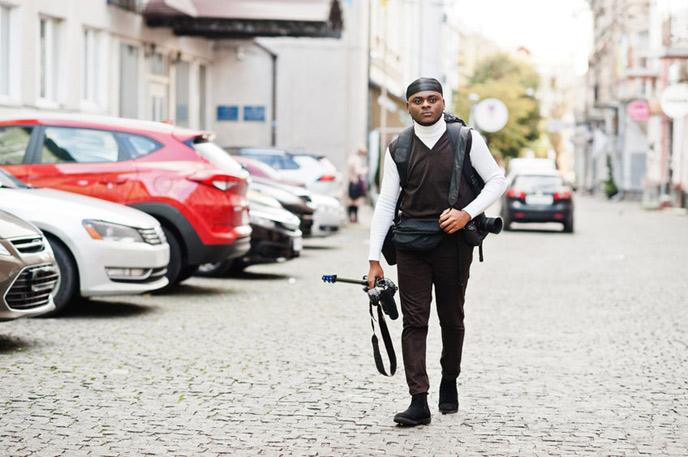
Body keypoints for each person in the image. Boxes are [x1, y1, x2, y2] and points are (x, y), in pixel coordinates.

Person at [367, 77, 506, 426]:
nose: (426, 105)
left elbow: (497, 180)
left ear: (443, 102)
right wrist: (374, 259)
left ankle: (449, 379)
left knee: (452, 319)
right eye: (417, 100)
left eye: (432, 99)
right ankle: (418, 399)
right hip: (411, 245)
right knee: (415, 321)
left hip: (454, 245)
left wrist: (466, 214)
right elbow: (386, 202)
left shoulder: (466, 138)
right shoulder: (398, 146)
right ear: (408, 107)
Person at [347, 148, 369, 223]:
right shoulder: (357, 160)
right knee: (355, 202)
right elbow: (357, 171)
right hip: (356, 183)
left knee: (351, 201)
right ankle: (354, 218)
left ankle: (351, 217)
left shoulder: (352, 158)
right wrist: (365, 170)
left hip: (352, 182)